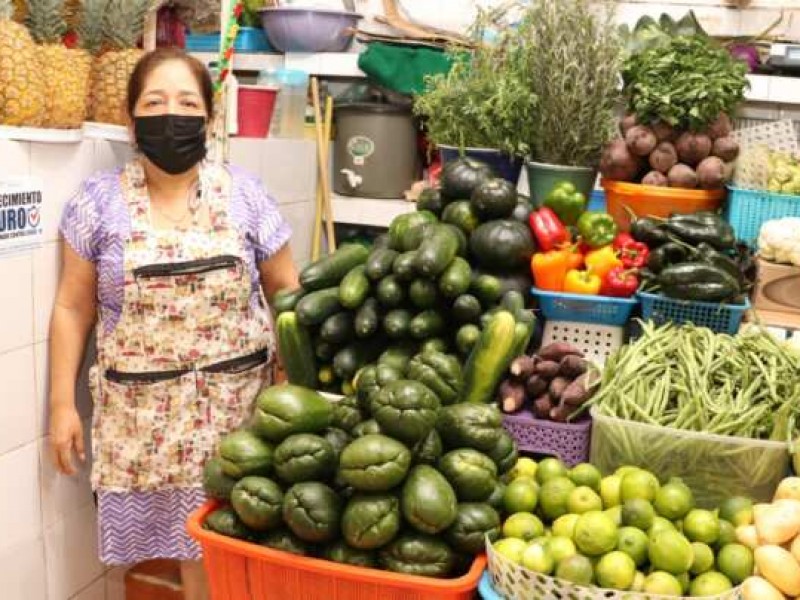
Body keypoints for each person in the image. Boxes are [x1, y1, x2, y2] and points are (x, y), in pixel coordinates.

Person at [47, 48, 298, 600]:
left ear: (208, 119)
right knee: (189, 555)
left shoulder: (247, 197)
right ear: (131, 121)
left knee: (242, 545)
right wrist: (61, 403)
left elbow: (287, 292)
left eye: (187, 103)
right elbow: (73, 307)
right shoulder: (95, 204)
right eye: (154, 102)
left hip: (240, 414)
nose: (171, 115)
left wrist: (289, 382)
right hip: (147, 423)